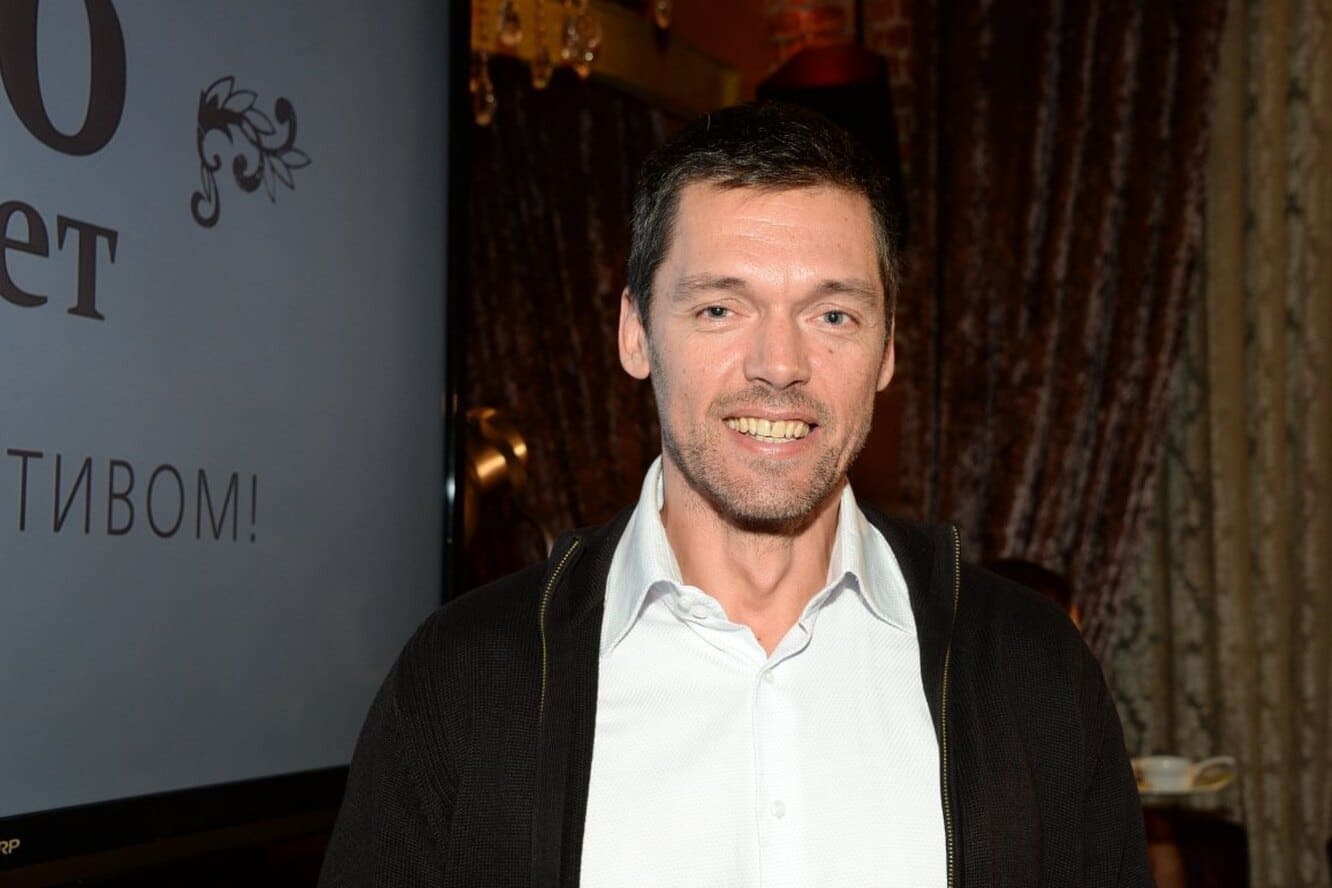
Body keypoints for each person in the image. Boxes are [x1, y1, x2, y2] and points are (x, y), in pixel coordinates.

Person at [319, 103, 1150, 887]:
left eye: (833, 315)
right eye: (720, 308)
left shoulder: (1032, 672)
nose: (779, 365)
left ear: (888, 350)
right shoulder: (466, 679)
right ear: (635, 333)